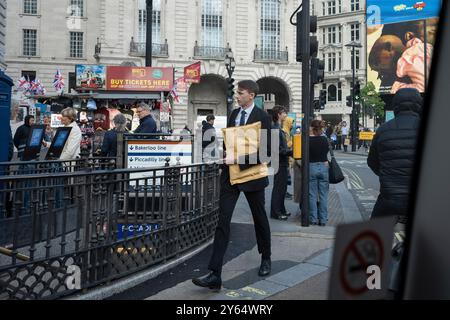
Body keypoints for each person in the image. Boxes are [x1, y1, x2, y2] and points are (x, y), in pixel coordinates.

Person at [192, 80, 272, 290]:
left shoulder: (263, 117)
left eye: (241, 93)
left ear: (252, 95)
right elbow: (231, 143)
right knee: (222, 222)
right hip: (230, 177)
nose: (237, 96)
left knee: (259, 218)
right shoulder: (234, 115)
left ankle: (266, 258)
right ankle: (215, 273)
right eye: (237, 92)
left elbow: (266, 154)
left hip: (253, 177)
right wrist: (225, 155)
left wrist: (236, 159)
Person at [367, 88, 422, 220]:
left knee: (375, 235)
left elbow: (372, 162)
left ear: (395, 105)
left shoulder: (383, 130)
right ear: (419, 105)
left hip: (390, 198)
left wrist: (388, 173)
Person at [270, 106, 293, 220]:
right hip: (278, 162)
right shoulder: (275, 128)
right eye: (284, 113)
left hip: (282, 162)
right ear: (278, 114)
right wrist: (290, 152)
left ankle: (281, 209)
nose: (286, 115)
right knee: (278, 188)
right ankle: (275, 212)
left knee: (282, 188)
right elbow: (276, 149)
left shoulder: (278, 128)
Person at [309, 120, 330, 226]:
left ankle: (313, 218)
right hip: (323, 167)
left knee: (312, 195)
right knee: (323, 195)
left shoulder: (308, 140)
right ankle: (323, 219)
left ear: (312, 128)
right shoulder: (325, 140)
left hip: (311, 167)